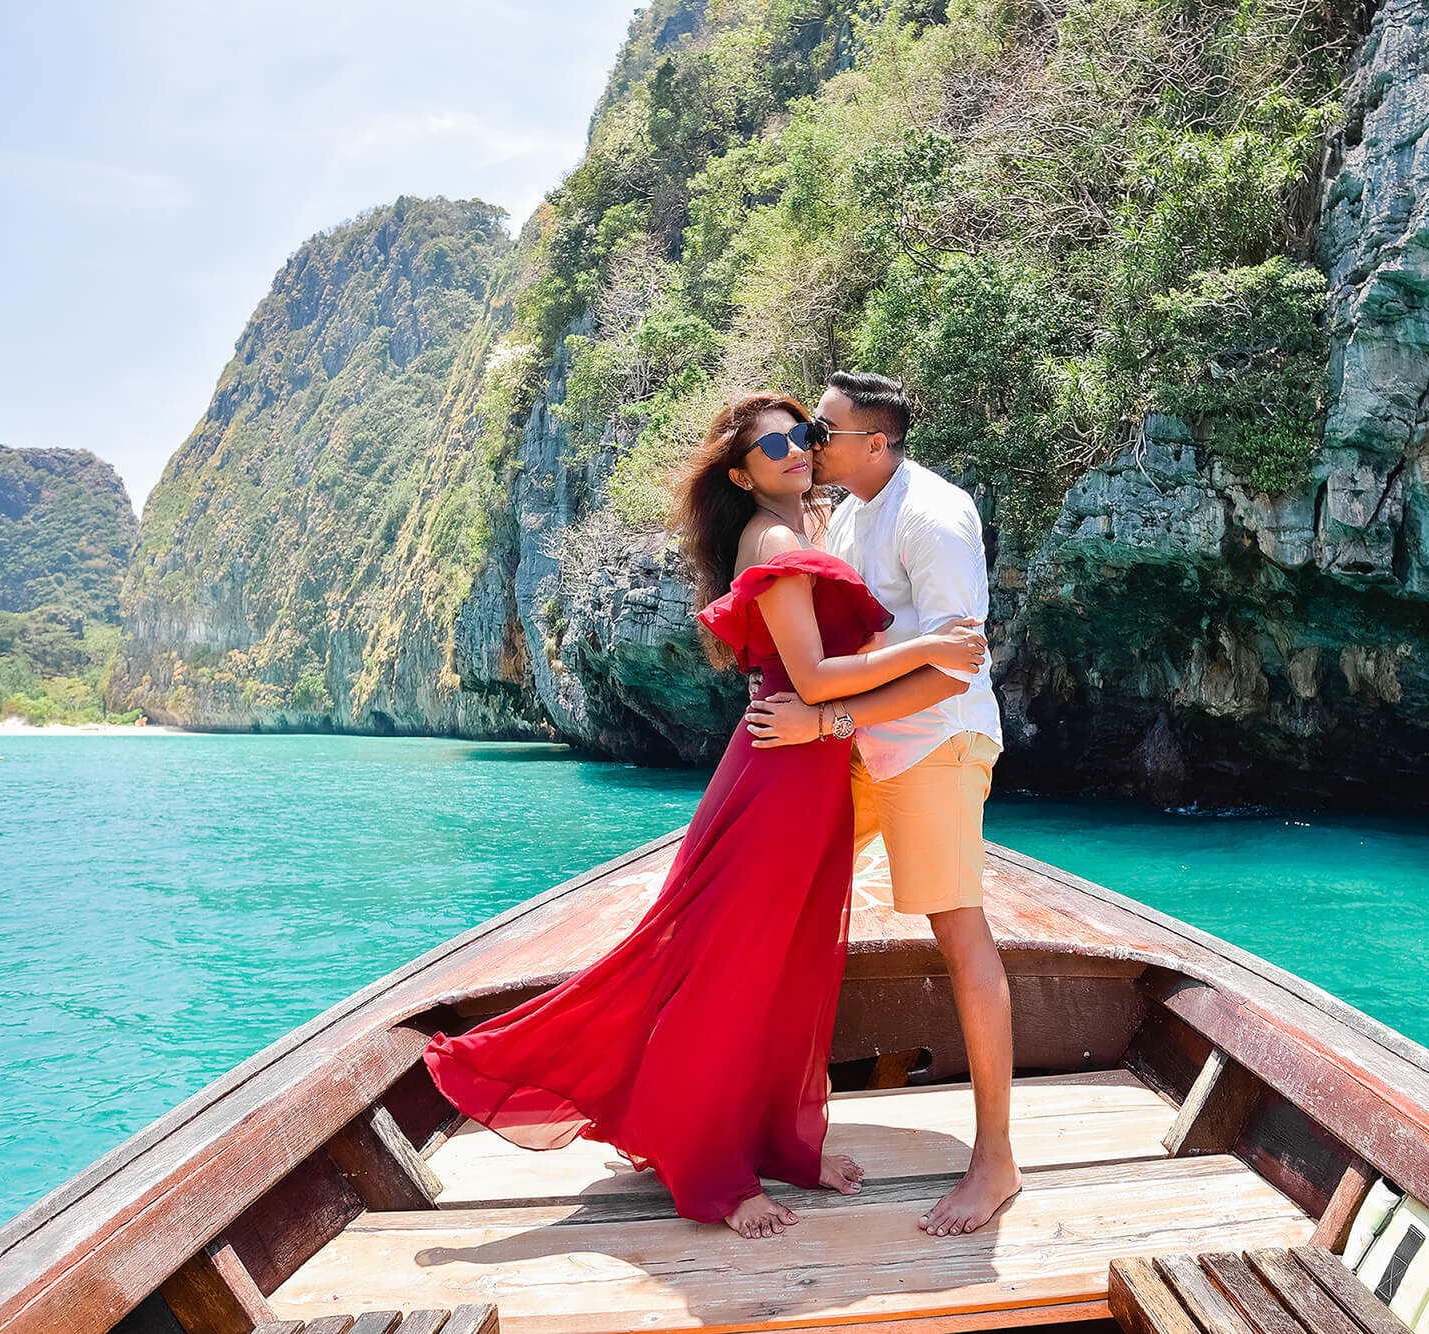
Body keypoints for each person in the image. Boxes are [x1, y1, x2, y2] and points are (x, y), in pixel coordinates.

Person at [422, 392, 988, 1239]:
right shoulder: (773, 540)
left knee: (788, 968)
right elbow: (820, 674)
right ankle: (713, 1171)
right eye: (778, 446)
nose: (800, 450)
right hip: (784, 769)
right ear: (741, 472)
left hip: (812, 769)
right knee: (734, 967)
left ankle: (778, 1144)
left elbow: (840, 659)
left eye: (807, 434)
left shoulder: (817, 526)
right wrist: (936, 650)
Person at [745, 371, 1021, 1237]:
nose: (810, 445)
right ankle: (746, 1112)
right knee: (766, 900)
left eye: (821, 432)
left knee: (959, 931)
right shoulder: (852, 506)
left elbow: (953, 666)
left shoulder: (933, 518)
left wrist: (825, 721)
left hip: (933, 746)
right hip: (860, 747)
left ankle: (997, 1163)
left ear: (875, 443)